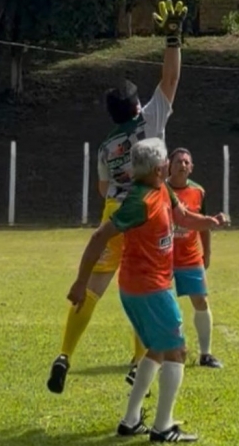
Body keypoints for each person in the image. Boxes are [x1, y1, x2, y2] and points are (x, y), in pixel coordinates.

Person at [47, 0, 189, 395]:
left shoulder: (105, 145)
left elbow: (102, 189)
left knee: (93, 287)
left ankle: (64, 353)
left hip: (116, 210)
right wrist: (173, 38)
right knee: (147, 283)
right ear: (135, 105)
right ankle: (136, 361)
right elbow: (171, 79)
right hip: (147, 211)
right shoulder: (152, 118)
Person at [66, 138, 228, 442]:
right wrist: (80, 282)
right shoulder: (140, 201)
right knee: (177, 350)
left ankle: (130, 420)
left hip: (145, 286)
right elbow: (100, 235)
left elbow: (181, 216)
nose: (169, 163)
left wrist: (209, 221)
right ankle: (163, 427)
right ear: (158, 168)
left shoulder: (161, 188)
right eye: (167, 160)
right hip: (148, 288)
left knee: (156, 348)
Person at [167, 148, 222, 368]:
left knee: (201, 301)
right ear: (169, 165)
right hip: (163, 257)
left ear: (192, 167)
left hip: (190, 257)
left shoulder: (198, 191)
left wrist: (206, 253)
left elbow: (204, 224)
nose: (182, 165)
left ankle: (205, 354)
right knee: (158, 304)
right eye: (178, 161)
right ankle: (149, 353)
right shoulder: (160, 190)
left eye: (186, 162)